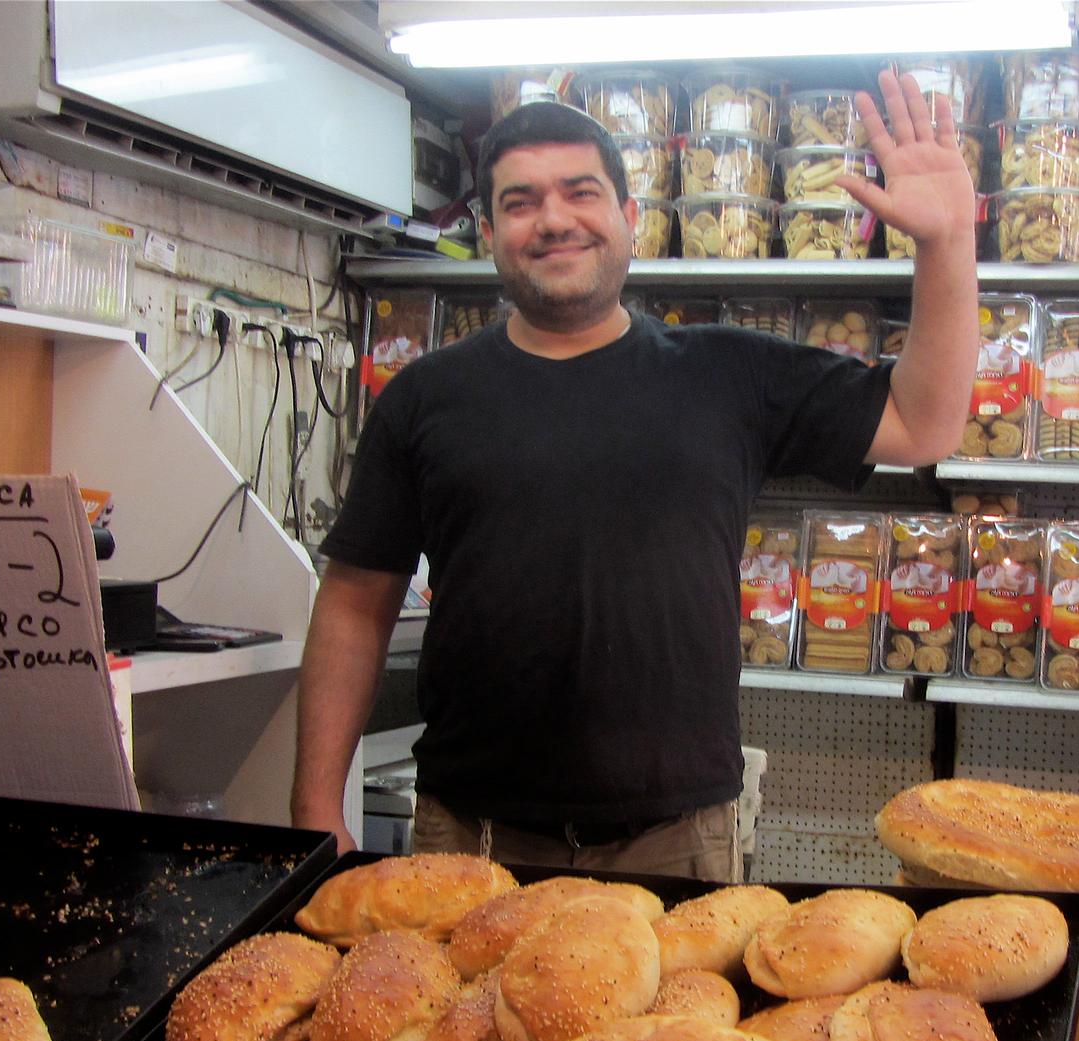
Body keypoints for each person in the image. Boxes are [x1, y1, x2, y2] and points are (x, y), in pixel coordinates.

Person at [292, 72, 978, 878]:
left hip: (678, 844)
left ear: (628, 216)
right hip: (470, 844)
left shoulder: (729, 373)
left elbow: (924, 423)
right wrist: (313, 812)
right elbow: (353, 604)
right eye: (520, 202)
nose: (553, 219)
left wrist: (946, 243)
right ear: (487, 232)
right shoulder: (424, 398)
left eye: (580, 192)